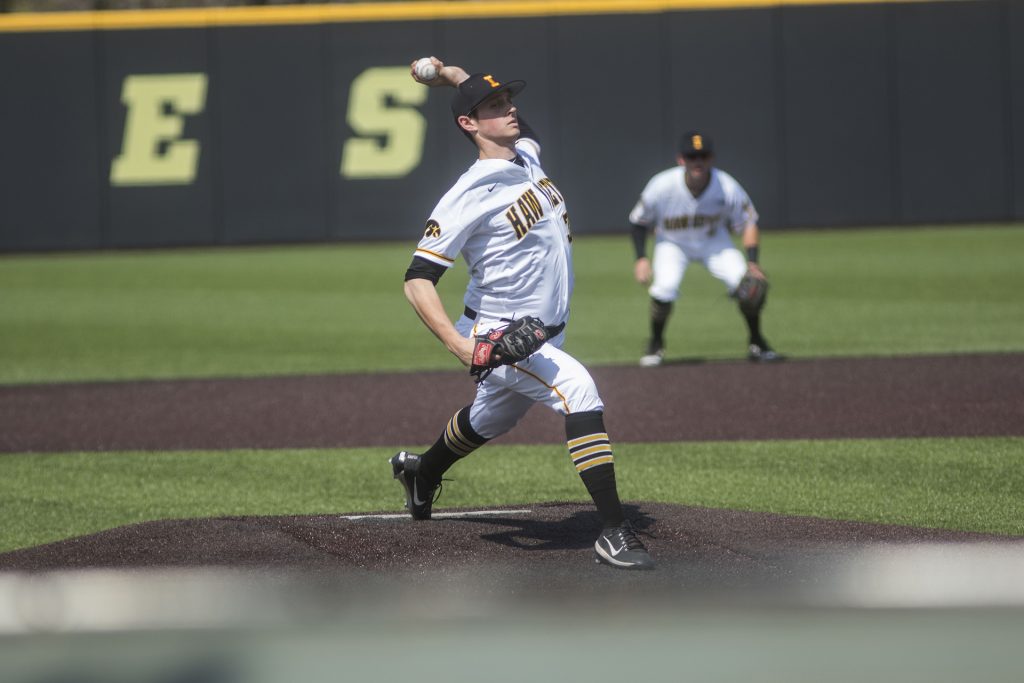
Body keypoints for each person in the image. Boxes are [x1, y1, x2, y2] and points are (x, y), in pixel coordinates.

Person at [391, 56, 654, 570]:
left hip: (543, 329)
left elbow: (521, 129)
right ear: (468, 124)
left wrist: (455, 76)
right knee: (578, 390)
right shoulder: (469, 192)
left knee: (493, 416)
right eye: (494, 106)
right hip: (502, 332)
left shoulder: (524, 157)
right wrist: (463, 346)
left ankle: (422, 472)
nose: (510, 110)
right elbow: (417, 280)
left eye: (508, 101)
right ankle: (614, 531)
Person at [630, 131, 782, 366]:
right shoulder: (662, 185)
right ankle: (656, 344)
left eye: (703, 155)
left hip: (713, 241)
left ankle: (757, 341)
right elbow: (638, 222)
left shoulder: (727, 186)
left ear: (711, 158)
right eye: (692, 156)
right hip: (673, 243)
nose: (698, 161)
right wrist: (641, 258)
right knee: (664, 288)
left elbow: (749, 222)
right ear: (681, 159)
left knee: (746, 284)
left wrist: (752, 262)